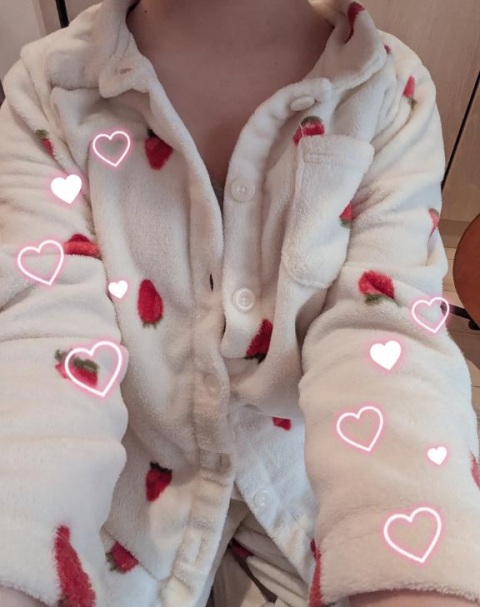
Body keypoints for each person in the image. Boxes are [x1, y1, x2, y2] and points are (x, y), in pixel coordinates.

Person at [0, 0, 479, 606]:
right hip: (123, 491)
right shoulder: (48, 90)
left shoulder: (389, 92)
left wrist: (414, 580)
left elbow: (388, 340)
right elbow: (41, 353)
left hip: (319, 479)